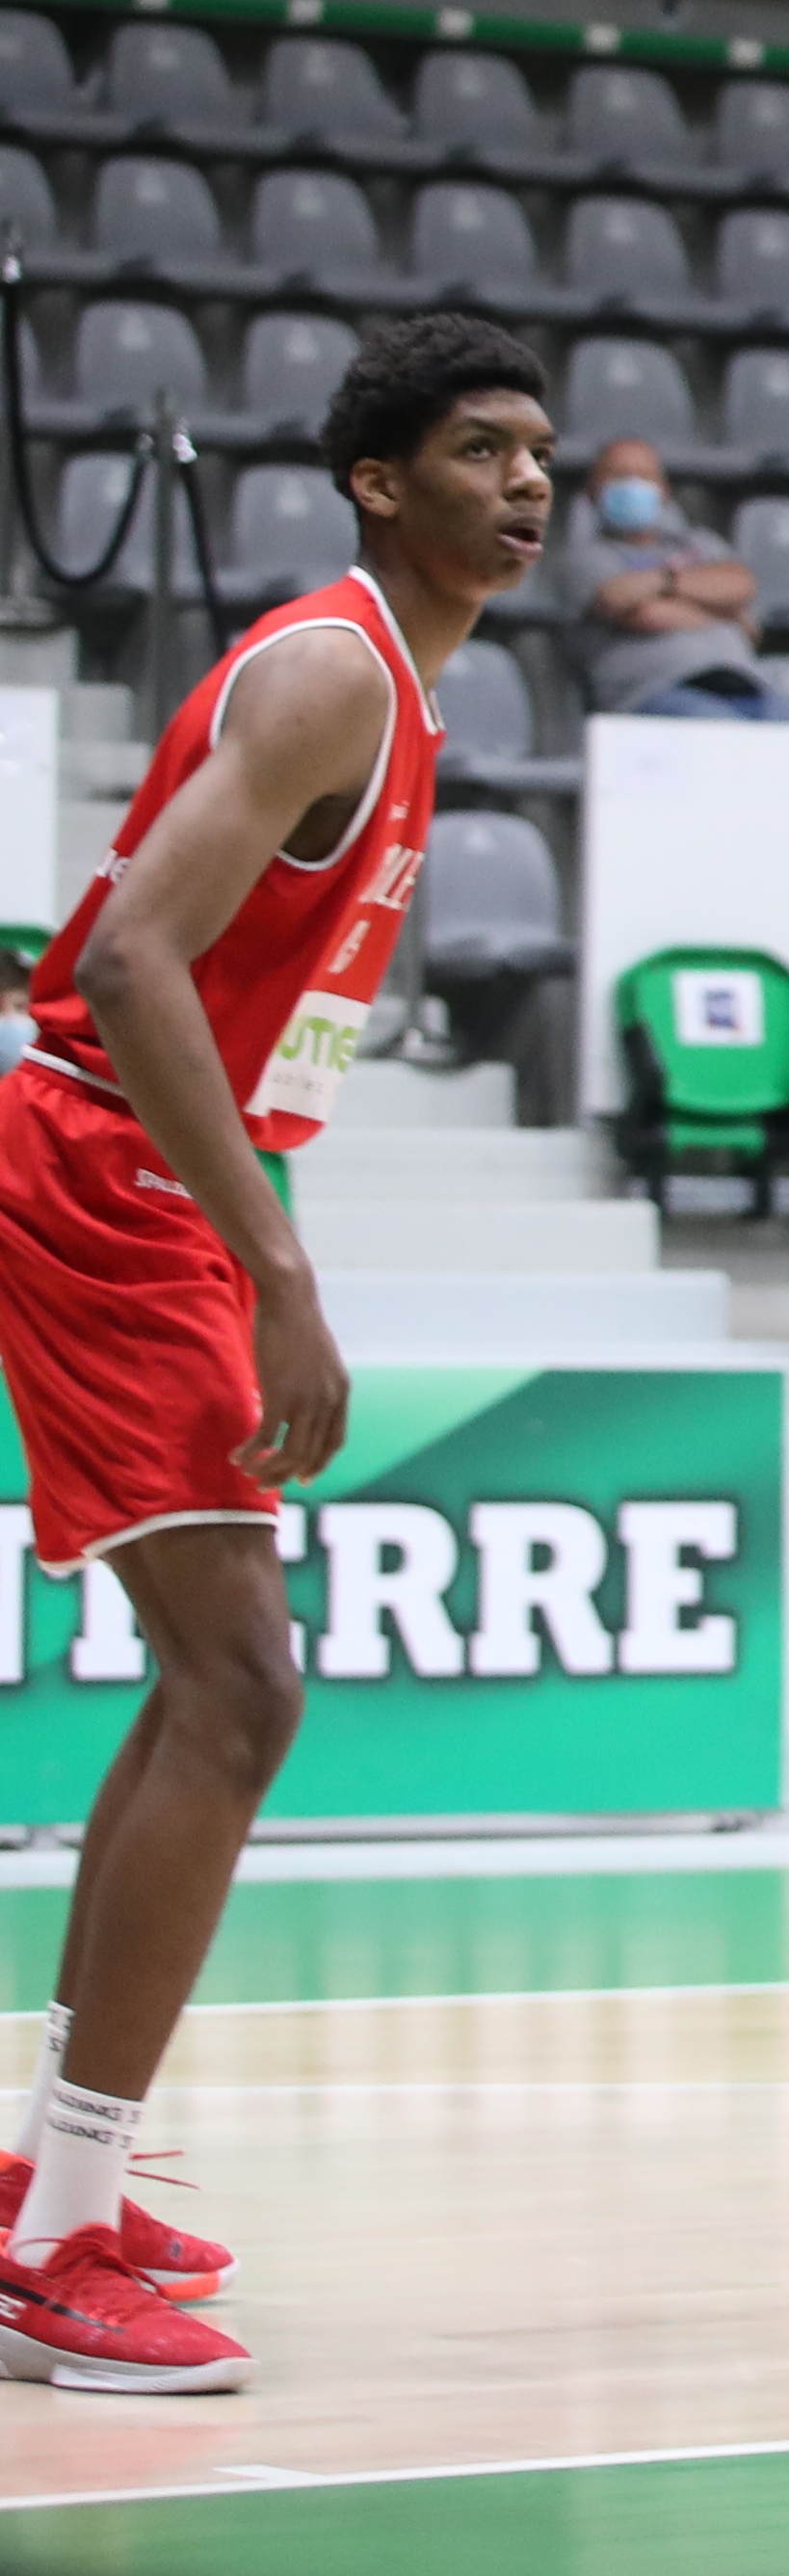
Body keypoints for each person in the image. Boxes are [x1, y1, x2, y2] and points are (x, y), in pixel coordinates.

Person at [0, 311, 551, 2394]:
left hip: (154, 1184)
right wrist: (278, 1266)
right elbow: (130, 955)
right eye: (481, 449)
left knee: (211, 1685)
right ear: (376, 482)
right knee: (241, 1689)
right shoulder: (332, 666)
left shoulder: (406, 683)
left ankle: (61, 2175)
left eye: (542, 457)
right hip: (105, 1172)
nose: (523, 484)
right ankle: (54, 2257)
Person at [575, 438, 771, 720]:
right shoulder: (587, 557)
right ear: (592, 490)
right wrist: (728, 614)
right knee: (727, 736)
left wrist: (662, 584)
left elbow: (742, 584)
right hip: (652, 695)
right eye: (619, 476)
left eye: (644, 477)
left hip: (744, 688)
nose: (632, 485)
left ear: (664, 492)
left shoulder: (701, 543)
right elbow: (646, 615)